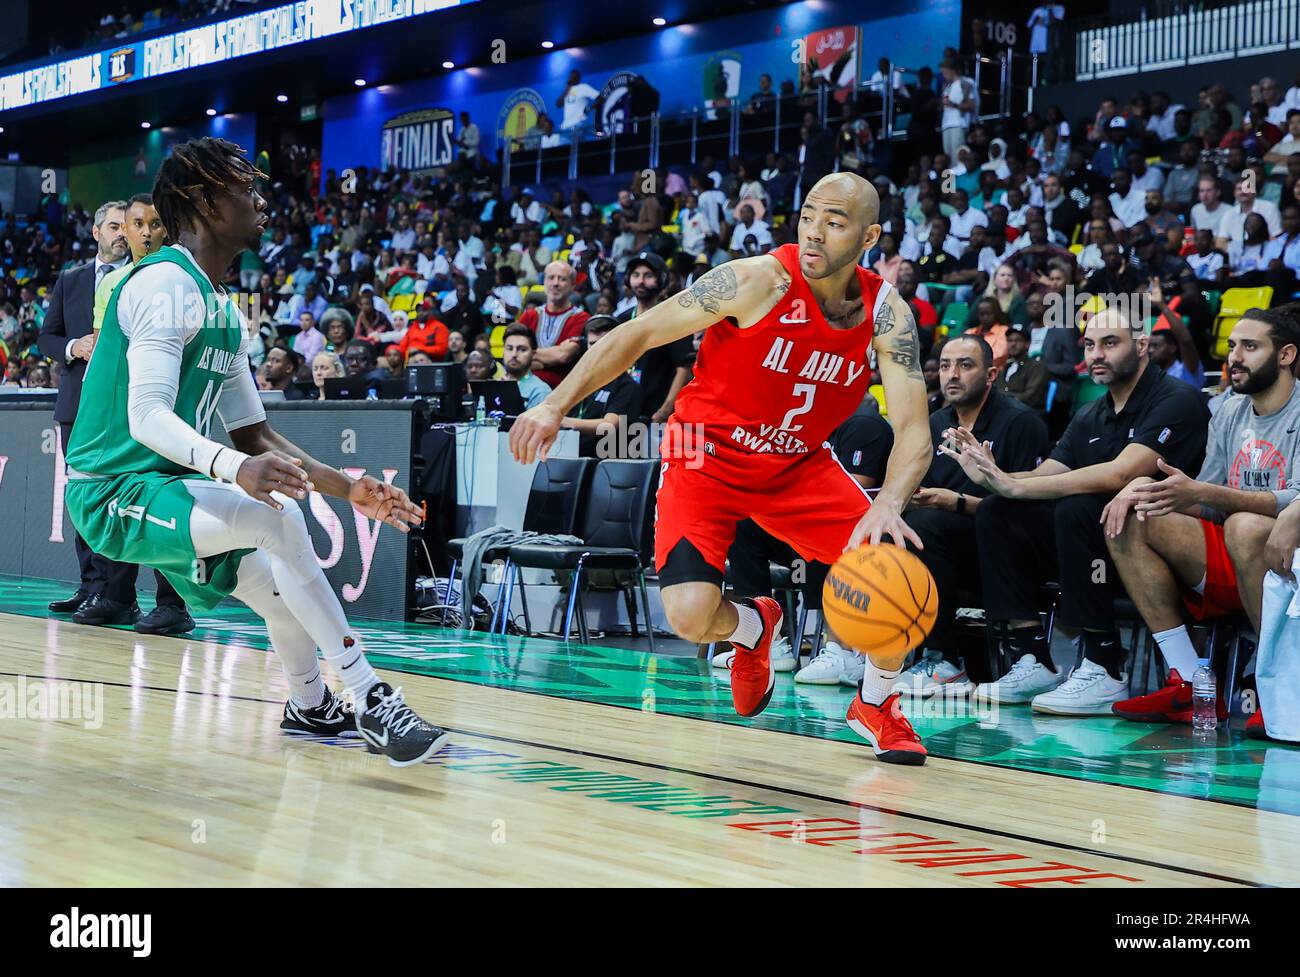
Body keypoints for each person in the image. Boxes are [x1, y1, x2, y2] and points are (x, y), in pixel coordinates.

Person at [511, 173, 935, 765]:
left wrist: (888, 502)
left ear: (870, 236)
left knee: (898, 576)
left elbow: (914, 426)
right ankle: (753, 629)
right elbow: (639, 333)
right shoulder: (756, 279)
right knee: (687, 616)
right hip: (705, 457)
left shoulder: (887, 315)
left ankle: (876, 703)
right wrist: (556, 404)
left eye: (834, 223)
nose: (813, 232)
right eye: (808, 214)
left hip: (797, 465)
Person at [63, 137, 446, 765]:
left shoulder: (222, 309)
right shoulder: (162, 285)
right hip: (110, 490)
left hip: (167, 489)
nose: (261, 199)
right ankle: (370, 696)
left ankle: (309, 703)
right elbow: (147, 415)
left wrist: (349, 490)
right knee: (276, 520)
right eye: (246, 187)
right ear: (205, 200)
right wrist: (234, 470)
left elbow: (255, 436)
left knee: (285, 589)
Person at [945, 307, 1210, 715]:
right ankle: (1031, 656)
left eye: (1110, 343)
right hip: (1099, 547)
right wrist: (992, 477)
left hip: (1167, 542)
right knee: (999, 510)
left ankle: (1103, 664)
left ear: (1141, 347)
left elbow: (1119, 474)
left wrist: (1013, 484)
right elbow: (1049, 473)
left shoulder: (1177, 400)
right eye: (1089, 345)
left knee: (1079, 507)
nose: (1097, 354)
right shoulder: (1092, 412)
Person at [1105, 307, 1300, 727]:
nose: (1234, 358)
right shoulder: (1228, 410)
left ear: (1285, 355)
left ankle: (1283, 684)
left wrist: (1204, 493)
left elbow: (1296, 500)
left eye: (1250, 347)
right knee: (1133, 515)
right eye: (1231, 347)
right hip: (1242, 553)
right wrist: (1148, 490)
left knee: (1245, 526)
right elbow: (1209, 502)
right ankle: (1190, 682)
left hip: (1290, 560)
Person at [897, 335, 1050, 696]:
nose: (952, 374)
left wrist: (957, 502)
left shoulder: (1021, 423)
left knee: (929, 528)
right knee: (898, 527)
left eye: (966, 365)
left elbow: (1030, 510)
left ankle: (943, 659)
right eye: (947, 365)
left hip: (1012, 552)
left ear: (991, 374)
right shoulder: (934, 423)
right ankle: (862, 647)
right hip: (948, 549)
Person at [90, 193, 196, 635]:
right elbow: (101, 358)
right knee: (121, 503)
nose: (146, 233)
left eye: (155, 224)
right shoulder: (111, 285)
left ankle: (174, 605)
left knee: (166, 507)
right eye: (137, 224)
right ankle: (118, 597)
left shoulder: (180, 281)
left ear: (168, 229)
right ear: (124, 230)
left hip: (168, 410)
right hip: (122, 417)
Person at [38, 199, 136, 625]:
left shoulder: (143, 279)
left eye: (125, 226)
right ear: (96, 232)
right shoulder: (71, 279)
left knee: (118, 500)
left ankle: (117, 594)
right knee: (82, 500)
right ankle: (90, 587)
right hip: (76, 405)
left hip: (125, 406)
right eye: (112, 225)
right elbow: (46, 337)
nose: (120, 233)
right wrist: (72, 347)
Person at [617, 250, 694, 423]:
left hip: (655, 414)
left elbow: (684, 369)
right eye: (636, 275)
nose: (641, 281)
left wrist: (665, 410)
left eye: (648, 275)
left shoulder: (673, 319)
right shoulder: (621, 319)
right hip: (623, 412)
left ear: (662, 279)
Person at [559, 315, 642, 457]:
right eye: (592, 343)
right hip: (567, 455)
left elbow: (608, 425)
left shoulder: (626, 385)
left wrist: (564, 422)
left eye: (604, 343)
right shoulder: (578, 380)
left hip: (603, 465)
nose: (597, 349)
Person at [519, 261, 589, 388]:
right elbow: (514, 356)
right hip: (524, 389)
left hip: (561, 392)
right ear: (544, 282)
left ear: (573, 285)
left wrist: (527, 356)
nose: (555, 283)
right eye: (551, 278)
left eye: (562, 279)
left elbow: (564, 355)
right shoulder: (529, 316)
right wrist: (548, 359)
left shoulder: (581, 318)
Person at [995, 323, 1049, 409]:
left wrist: (1004, 399)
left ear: (1028, 344)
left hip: (1025, 414)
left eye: (1018, 340)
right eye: (1010, 340)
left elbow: (1030, 397)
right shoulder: (1005, 366)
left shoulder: (1037, 367)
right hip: (1003, 410)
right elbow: (996, 390)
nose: (1013, 344)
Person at [500, 325, 552, 409]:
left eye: (522, 349)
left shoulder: (540, 391)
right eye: (509, 348)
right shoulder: (496, 385)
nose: (514, 354)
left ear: (533, 354)